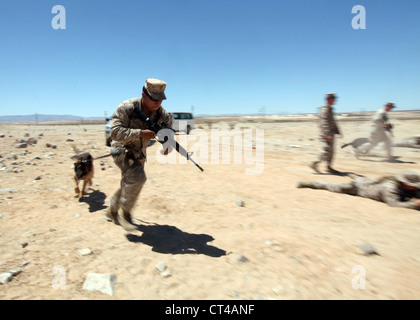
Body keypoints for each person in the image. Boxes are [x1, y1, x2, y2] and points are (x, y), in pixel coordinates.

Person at [105, 78, 173, 231]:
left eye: (160, 100)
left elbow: (168, 127)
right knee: (138, 177)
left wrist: (168, 144)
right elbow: (114, 132)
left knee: (129, 182)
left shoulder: (161, 113)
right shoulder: (127, 107)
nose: (157, 103)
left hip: (139, 152)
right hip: (121, 149)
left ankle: (112, 211)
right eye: (154, 99)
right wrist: (140, 133)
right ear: (144, 96)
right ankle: (126, 213)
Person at [297, 170, 420, 210]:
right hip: (358, 189)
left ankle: (353, 176)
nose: (416, 187)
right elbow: (394, 204)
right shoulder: (390, 187)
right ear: (405, 183)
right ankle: (311, 183)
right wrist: (413, 204)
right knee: (334, 186)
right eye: (414, 185)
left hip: (368, 182)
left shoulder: (404, 186)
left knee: (361, 179)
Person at [310, 93, 342, 174]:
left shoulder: (330, 109)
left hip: (331, 133)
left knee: (331, 151)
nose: (335, 100)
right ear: (329, 99)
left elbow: (333, 122)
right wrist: (327, 134)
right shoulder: (324, 110)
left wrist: (338, 131)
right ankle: (314, 163)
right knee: (326, 150)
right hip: (326, 134)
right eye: (333, 99)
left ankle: (328, 166)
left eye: (335, 99)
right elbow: (323, 123)